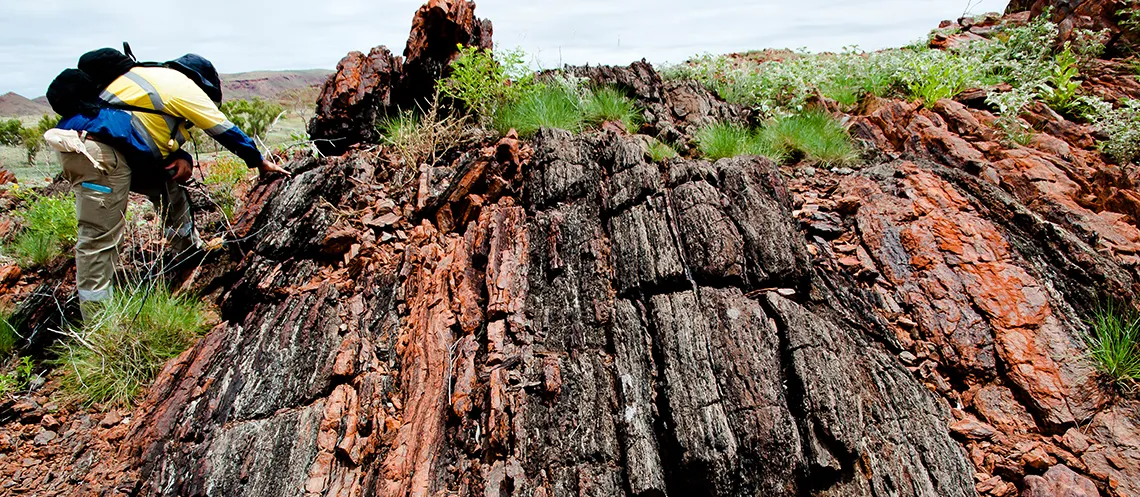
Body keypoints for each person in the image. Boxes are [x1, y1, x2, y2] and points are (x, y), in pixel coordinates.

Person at [46, 48, 290, 318]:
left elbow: (142, 126)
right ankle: (98, 319)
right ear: (202, 82)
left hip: (113, 149)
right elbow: (223, 129)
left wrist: (181, 156)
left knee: (169, 185)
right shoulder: (182, 86)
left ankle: (188, 251)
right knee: (99, 236)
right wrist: (257, 160)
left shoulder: (150, 78)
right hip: (96, 153)